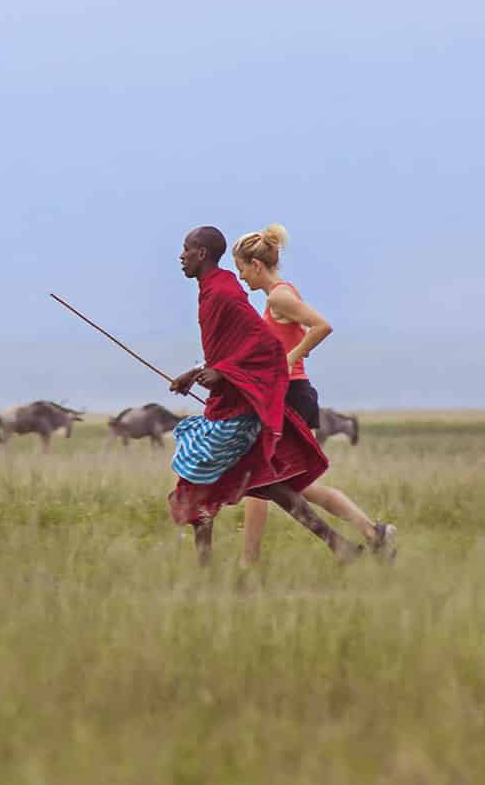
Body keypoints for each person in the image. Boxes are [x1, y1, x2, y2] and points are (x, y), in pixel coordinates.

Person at [166, 226, 362, 566]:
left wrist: (223, 373)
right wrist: (196, 372)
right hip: (230, 403)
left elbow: (262, 346)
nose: (180, 256)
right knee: (267, 484)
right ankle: (339, 545)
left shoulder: (226, 294)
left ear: (201, 254)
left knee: (197, 478)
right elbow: (229, 349)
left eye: (186, 249)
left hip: (240, 409)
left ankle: (206, 572)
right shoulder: (212, 291)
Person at [232, 225, 397, 565]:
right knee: (295, 486)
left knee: (257, 478)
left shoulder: (278, 296)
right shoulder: (279, 295)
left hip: (291, 395)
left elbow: (322, 325)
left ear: (256, 266)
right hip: (290, 394)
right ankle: (373, 533)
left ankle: (249, 564)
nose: (242, 278)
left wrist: (289, 359)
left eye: (242, 269)